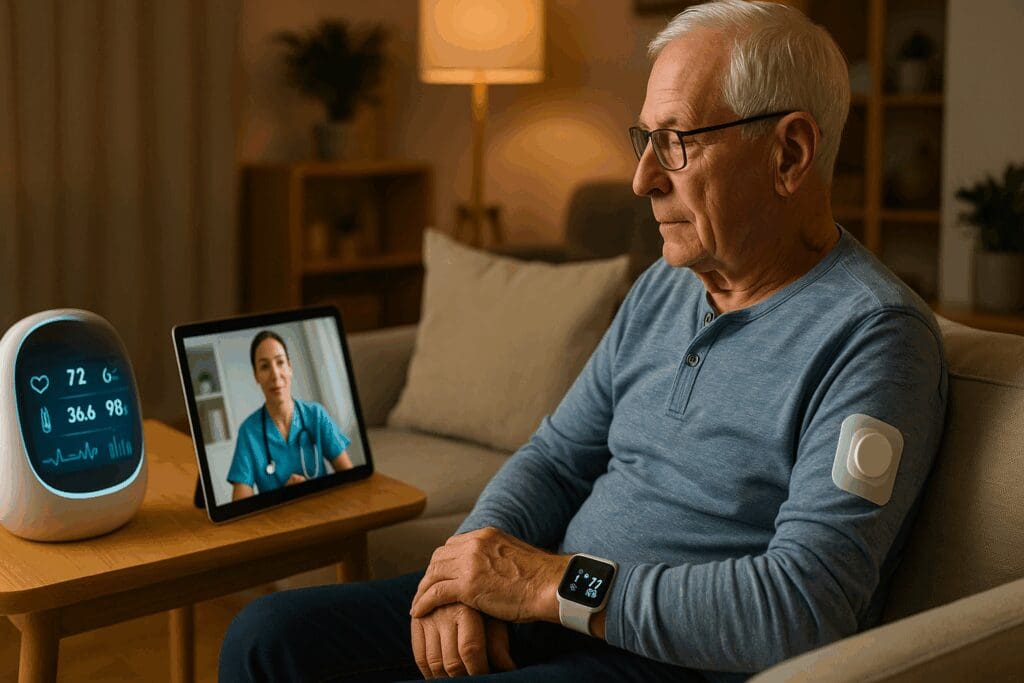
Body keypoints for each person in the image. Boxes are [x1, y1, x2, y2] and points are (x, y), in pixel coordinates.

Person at [218, 1, 948, 680]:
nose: (640, 179)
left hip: (666, 658)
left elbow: (803, 606)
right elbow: (556, 457)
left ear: (789, 154)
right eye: (644, 140)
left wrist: (546, 583)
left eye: (675, 143)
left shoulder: (874, 338)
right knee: (268, 634)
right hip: (552, 608)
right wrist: (463, 571)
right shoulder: (667, 286)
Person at [227, 330, 354, 501]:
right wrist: (284, 497)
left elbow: (351, 478)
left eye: (280, 362)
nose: (275, 374)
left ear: (290, 367)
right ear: (256, 376)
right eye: (265, 366)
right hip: (279, 522)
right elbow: (240, 506)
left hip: (324, 513)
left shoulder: (316, 415)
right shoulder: (249, 432)